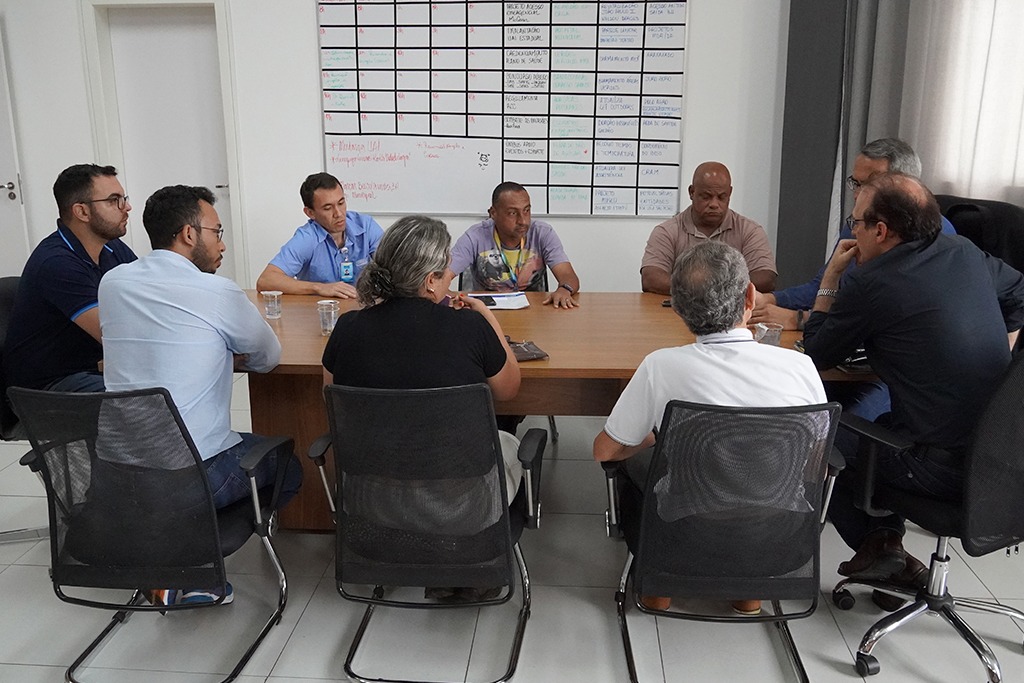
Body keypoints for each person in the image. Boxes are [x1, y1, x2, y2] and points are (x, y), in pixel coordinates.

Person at [802, 173, 1024, 611]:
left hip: (941, 467)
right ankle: (884, 550)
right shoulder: (962, 251)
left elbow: (817, 353)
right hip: (1004, 457)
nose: (853, 231)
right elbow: (1020, 293)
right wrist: (1000, 358)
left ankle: (882, 547)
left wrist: (831, 277)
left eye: (856, 223)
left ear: (880, 230)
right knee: (881, 425)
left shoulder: (873, 281)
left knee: (815, 431)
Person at [595, 241, 826, 615]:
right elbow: (818, 458)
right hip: (775, 532)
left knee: (639, 463)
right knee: (752, 474)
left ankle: (660, 588)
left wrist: (656, 436)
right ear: (750, 296)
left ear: (680, 309)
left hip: (686, 530)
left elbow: (604, 450)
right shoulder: (800, 367)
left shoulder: (661, 366)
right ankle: (747, 593)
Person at [99, 184, 303, 606]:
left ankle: (166, 545)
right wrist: (225, 352)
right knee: (287, 463)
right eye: (217, 231)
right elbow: (267, 357)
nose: (223, 244)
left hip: (119, 475)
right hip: (187, 478)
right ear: (188, 235)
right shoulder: (216, 292)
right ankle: (189, 562)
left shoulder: (113, 283)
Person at [322, 214, 521, 601]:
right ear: (430, 280)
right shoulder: (468, 328)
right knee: (511, 444)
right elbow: (510, 390)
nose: (451, 274)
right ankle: (467, 566)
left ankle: (430, 559)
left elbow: (331, 402)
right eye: (447, 268)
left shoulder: (348, 328)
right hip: (461, 509)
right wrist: (487, 316)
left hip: (374, 507)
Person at [751, 138, 957, 331]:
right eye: (856, 183)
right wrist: (771, 299)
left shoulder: (934, 235)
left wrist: (798, 318)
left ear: (905, 186)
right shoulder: (859, 222)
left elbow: (886, 316)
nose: (858, 194)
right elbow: (824, 286)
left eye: (870, 184)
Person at [2, 164, 136, 393]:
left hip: (92, 367)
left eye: (123, 198)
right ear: (82, 212)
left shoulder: (112, 247)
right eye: (114, 200)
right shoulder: (56, 263)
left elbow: (150, 296)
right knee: (149, 398)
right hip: (47, 388)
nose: (127, 207)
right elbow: (119, 338)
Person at [641, 162, 777, 295]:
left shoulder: (750, 231)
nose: (714, 204)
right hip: (681, 312)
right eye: (706, 197)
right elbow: (651, 278)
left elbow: (765, 278)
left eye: (721, 197)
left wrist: (709, 292)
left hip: (731, 313)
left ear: (730, 193)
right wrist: (707, 292)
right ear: (692, 192)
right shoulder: (666, 231)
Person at [449, 181, 581, 309]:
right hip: (487, 311)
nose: (523, 221)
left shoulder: (542, 233)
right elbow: (441, 277)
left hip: (533, 311)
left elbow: (568, 276)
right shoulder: (475, 236)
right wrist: (451, 298)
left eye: (526, 210)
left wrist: (565, 289)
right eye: (513, 213)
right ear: (493, 213)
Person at [255, 172, 383, 299]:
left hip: (362, 308)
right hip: (320, 312)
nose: (338, 213)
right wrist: (319, 287)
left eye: (341, 203)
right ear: (310, 213)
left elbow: (394, 266)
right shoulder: (306, 237)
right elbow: (265, 281)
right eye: (328, 208)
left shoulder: (365, 225)